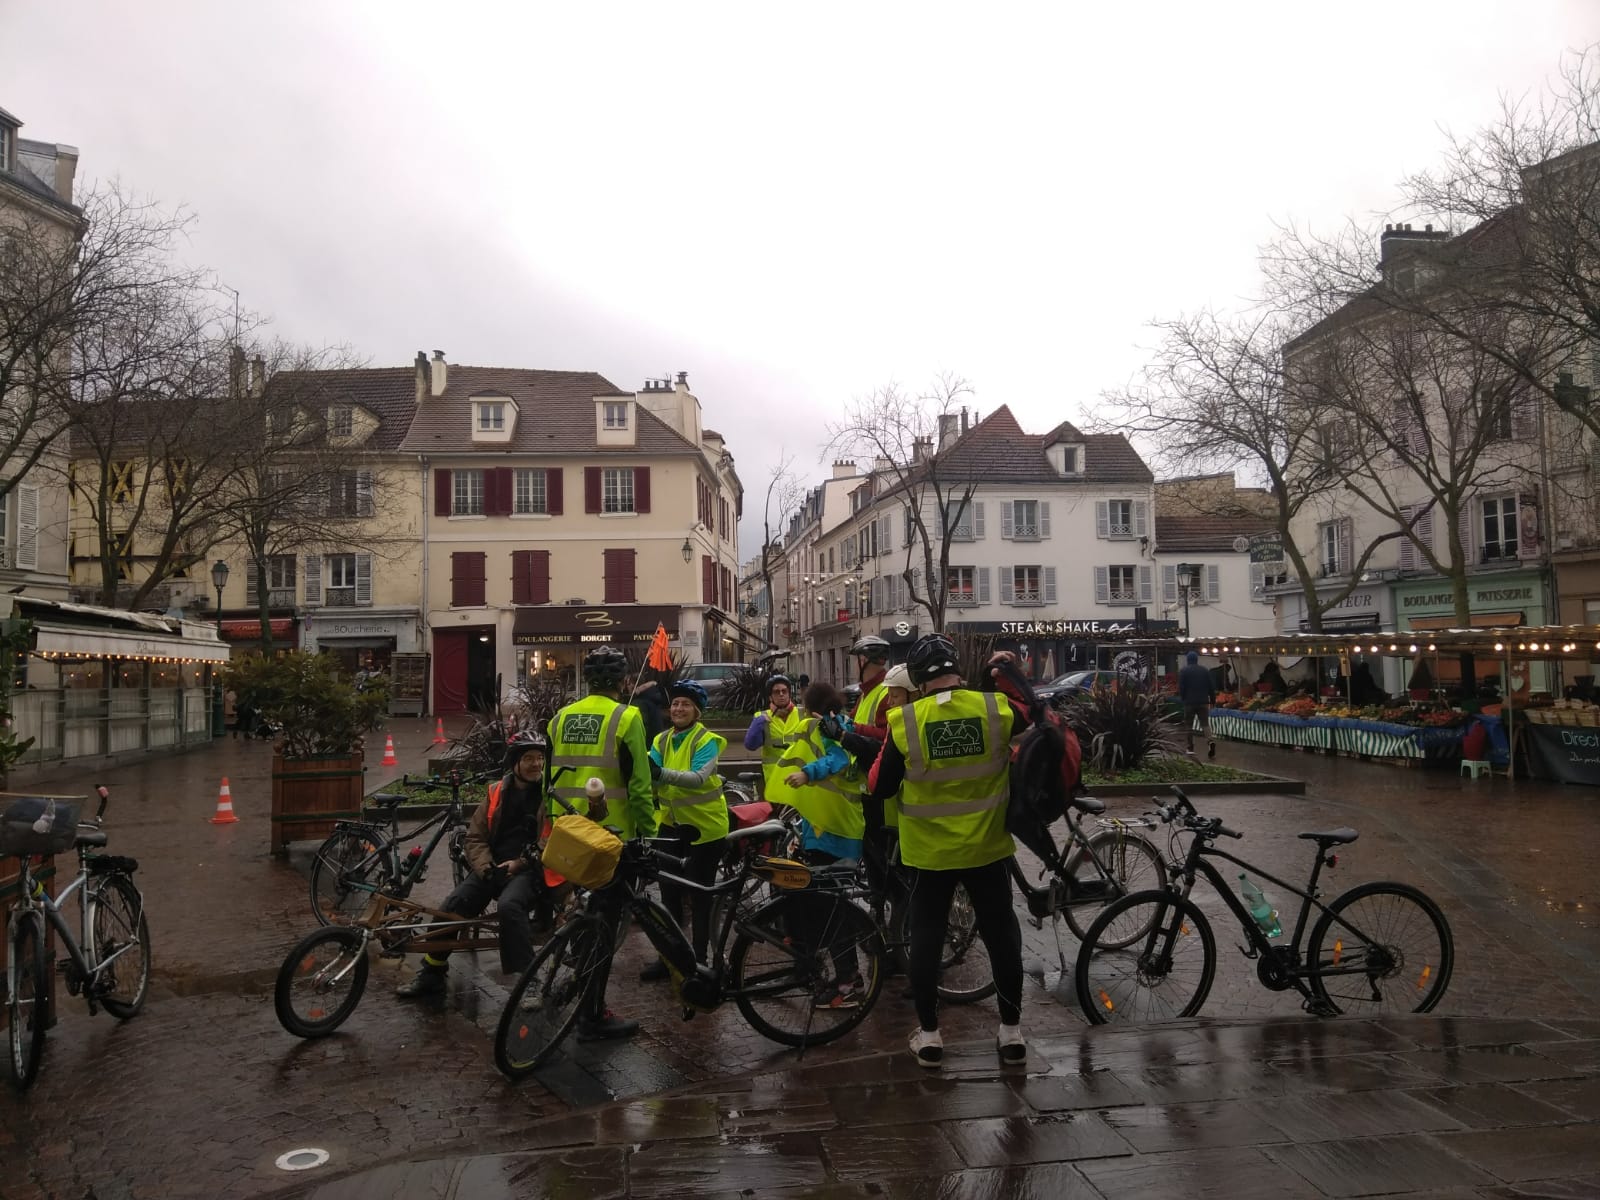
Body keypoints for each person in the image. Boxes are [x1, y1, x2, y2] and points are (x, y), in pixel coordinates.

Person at [871, 633, 1028, 1068]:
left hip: (929, 853)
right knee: (1002, 936)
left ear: (919, 679)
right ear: (958, 669)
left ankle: (930, 1036)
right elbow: (1034, 710)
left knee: (926, 937)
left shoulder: (905, 721)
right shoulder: (995, 708)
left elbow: (879, 786)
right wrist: (1007, 672)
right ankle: (1011, 1033)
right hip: (987, 847)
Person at [545, 644, 658, 1041]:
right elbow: (640, 784)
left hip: (568, 830)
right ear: (623, 682)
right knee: (606, 924)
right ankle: (592, 1014)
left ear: (587, 681)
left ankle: (574, 982)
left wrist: (553, 822)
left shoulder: (560, 717)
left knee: (580, 911)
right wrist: (649, 833)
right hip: (611, 836)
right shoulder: (627, 717)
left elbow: (549, 779)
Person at [396, 730, 562, 998]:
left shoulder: (550, 795)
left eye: (540, 758)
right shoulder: (496, 792)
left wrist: (518, 864)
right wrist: (486, 869)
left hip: (530, 869)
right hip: (493, 868)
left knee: (509, 906)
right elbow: (475, 837)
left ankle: (529, 979)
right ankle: (432, 973)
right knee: (452, 906)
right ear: (514, 762)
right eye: (529, 758)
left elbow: (552, 838)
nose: (536, 764)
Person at [781, 681, 867, 1008]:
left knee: (833, 910)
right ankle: (835, 973)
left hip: (836, 832)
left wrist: (808, 773)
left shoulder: (831, 729)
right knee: (825, 905)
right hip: (828, 829)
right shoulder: (835, 725)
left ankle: (848, 981)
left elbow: (837, 759)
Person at [640, 679, 729, 980]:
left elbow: (698, 777)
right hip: (670, 827)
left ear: (697, 711)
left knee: (699, 897)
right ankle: (670, 959)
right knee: (669, 896)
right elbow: (650, 773)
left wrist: (659, 772)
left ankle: (699, 962)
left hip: (705, 829)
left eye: (686, 704)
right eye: (676, 703)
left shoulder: (707, 740)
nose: (679, 708)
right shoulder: (661, 740)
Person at [744, 674, 808, 801]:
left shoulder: (803, 713)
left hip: (799, 780)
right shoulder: (762, 716)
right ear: (770, 697)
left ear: (789, 694)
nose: (781, 694)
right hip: (775, 780)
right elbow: (750, 745)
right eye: (776, 692)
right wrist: (758, 723)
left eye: (784, 691)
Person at [1177, 650, 1217, 759]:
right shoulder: (1205, 670)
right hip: (1203, 702)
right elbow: (1211, 687)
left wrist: (1183, 698)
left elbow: (1181, 687)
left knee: (1188, 725)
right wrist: (1213, 700)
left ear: (1188, 660)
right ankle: (1210, 741)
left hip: (1189, 703)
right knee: (1205, 724)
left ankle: (1190, 748)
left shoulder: (1184, 671)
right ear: (1196, 660)